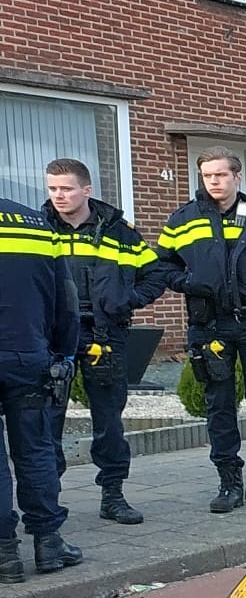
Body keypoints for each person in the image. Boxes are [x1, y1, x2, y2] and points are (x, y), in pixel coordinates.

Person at [153, 147, 246, 513]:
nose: (214, 182)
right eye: (207, 176)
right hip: (210, 325)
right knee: (218, 406)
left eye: (221, 175)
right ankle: (229, 482)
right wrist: (188, 282)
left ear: (238, 176)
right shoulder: (184, 219)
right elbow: (160, 265)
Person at [44, 158, 167, 525]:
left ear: (87, 189)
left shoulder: (119, 232)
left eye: (66, 188)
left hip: (105, 334)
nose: (58, 196)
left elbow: (156, 275)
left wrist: (127, 301)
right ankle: (46, 500)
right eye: (52, 189)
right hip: (53, 336)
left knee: (108, 421)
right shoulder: (39, 228)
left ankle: (112, 495)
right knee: (46, 420)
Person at [0, 196, 84, 581]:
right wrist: (62, 355)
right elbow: (66, 302)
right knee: (35, 449)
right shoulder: (35, 224)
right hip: (29, 357)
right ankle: (48, 542)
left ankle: (5, 555)